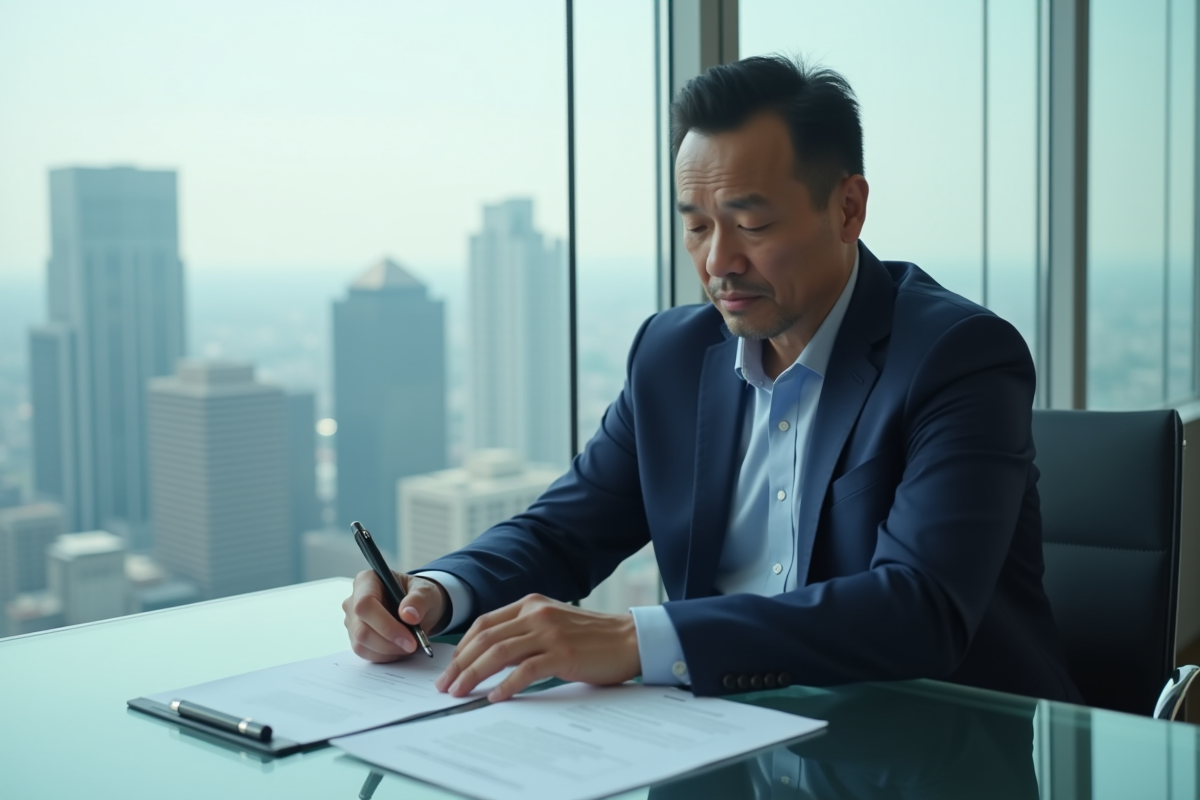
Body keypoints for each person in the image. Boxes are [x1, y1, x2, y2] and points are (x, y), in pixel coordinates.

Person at [342, 55, 1081, 706]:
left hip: (934, 746)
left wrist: (638, 640)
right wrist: (437, 592)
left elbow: (919, 611)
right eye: (696, 226)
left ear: (848, 208)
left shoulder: (957, 356)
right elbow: (563, 532)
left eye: (751, 225)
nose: (718, 262)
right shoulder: (671, 355)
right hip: (721, 739)